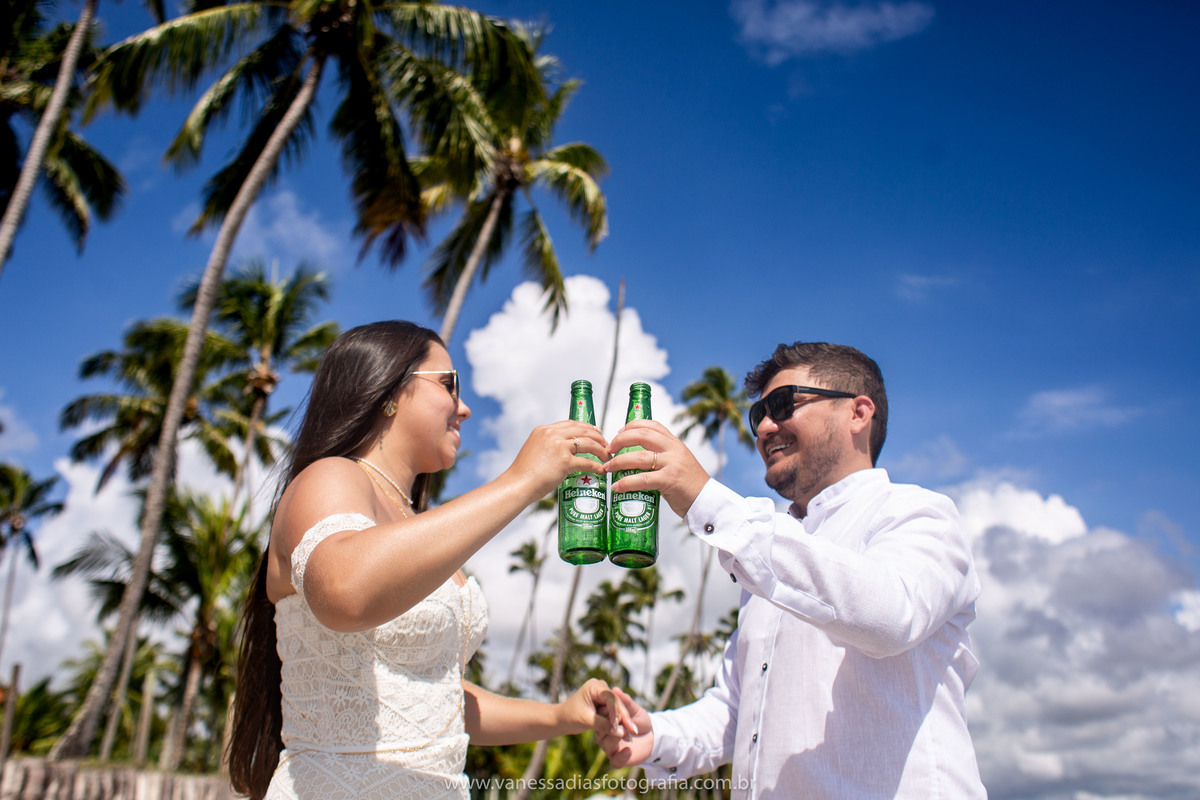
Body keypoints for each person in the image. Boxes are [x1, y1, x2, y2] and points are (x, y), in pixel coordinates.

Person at [227, 320, 631, 800]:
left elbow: (437, 701)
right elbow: (344, 591)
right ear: (389, 390)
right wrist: (521, 482)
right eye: (448, 384)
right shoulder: (328, 478)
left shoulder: (419, 519)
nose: (464, 407)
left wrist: (562, 716)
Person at [598, 342, 986, 799]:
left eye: (782, 405)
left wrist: (705, 498)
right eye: (757, 413)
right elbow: (742, 712)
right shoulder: (773, 551)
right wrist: (654, 735)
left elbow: (892, 614)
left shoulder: (920, 514)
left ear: (858, 413)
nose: (764, 426)